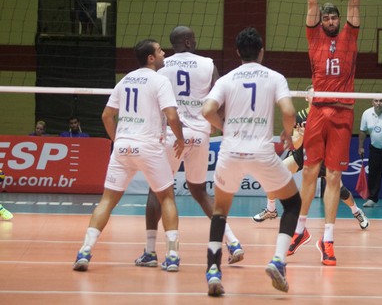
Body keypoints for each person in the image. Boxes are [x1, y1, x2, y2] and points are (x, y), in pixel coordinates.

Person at [288, 0, 372, 266]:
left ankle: (328, 239)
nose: (330, 21)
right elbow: (311, 1)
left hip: (343, 112)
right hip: (319, 111)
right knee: (309, 171)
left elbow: (355, 3)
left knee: (334, 177)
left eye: (334, 17)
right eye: (327, 18)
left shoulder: (350, 33)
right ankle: (300, 229)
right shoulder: (314, 35)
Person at [201, 27, 300, 295]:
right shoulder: (275, 77)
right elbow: (289, 111)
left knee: (220, 211)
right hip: (262, 153)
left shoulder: (228, 79)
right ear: (261, 51)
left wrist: (225, 128)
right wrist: (288, 134)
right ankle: (278, 260)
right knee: (292, 204)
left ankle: (213, 270)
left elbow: (207, 110)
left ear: (237, 52)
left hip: (230, 152)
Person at [133, 26, 243, 268]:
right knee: (199, 191)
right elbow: (219, 103)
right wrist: (222, 124)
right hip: (200, 135)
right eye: (193, 38)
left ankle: (151, 252)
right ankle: (233, 242)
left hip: (174, 136)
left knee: (157, 192)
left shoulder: (161, 67)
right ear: (188, 42)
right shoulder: (208, 64)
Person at [72, 39, 185, 272]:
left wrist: (117, 140)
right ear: (151, 58)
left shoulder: (125, 80)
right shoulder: (160, 80)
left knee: (107, 200)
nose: (164, 53)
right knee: (166, 198)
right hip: (149, 147)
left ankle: (84, 251)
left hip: (123, 148)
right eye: (160, 50)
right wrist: (181, 140)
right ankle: (172, 255)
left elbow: (106, 115)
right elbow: (172, 117)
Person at [253, 85, 369, 229]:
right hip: (301, 155)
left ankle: (357, 211)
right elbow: (295, 143)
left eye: (317, 94)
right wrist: (301, 136)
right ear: (306, 97)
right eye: (312, 95)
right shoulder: (300, 116)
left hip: (323, 159)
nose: (315, 97)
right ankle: (271, 209)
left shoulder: (327, 116)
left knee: (341, 191)